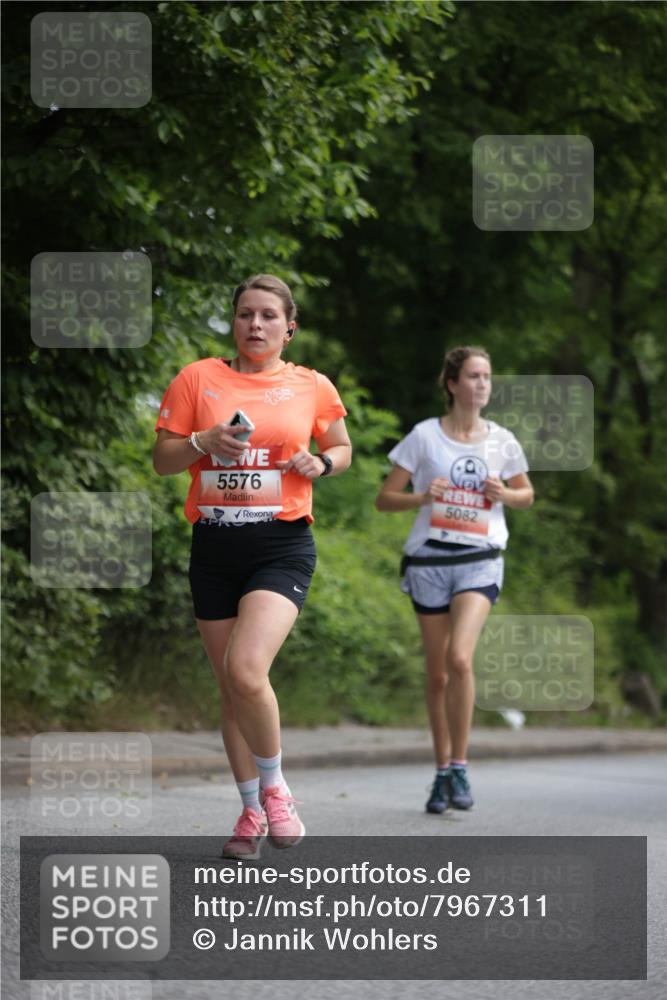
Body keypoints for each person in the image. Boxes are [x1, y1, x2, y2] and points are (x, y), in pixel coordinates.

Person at [153, 274, 351, 858]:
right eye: (245, 314)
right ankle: (249, 814)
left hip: (280, 543)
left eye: (268, 315)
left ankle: (276, 791)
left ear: (289, 326)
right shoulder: (198, 378)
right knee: (229, 689)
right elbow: (164, 459)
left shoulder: (311, 386)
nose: (255, 325)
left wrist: (322, 463)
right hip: (214, 546)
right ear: (233, 321)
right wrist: (203, 441)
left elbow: (341, 447)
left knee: (246, 669)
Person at [375, 346, 533, 814]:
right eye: (473, 376)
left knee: (460, 659)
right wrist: (423, 496)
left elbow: (526, 495)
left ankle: (461, 765)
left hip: (480, 559)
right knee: (439, 673)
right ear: (451, 384)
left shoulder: (502, 441)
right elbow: (385, 499)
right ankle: (441, 770)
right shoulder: (424, 437)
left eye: (487, 376)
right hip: (428, 562)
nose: (482, 384)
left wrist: (507, 492)